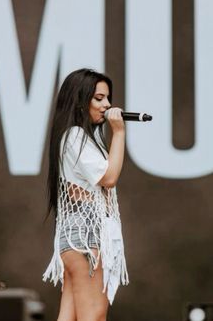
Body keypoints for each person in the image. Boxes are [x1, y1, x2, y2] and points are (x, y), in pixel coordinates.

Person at [43, 68, 129, 321]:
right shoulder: (75, 136)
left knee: (69, 317)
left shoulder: (78, 137)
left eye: (108, 98)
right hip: (86, 234)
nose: (107, 105)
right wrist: (120, 133)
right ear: (80, 101)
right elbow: (109, 178)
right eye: (99, 98)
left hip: (77, 235)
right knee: (94, 316)